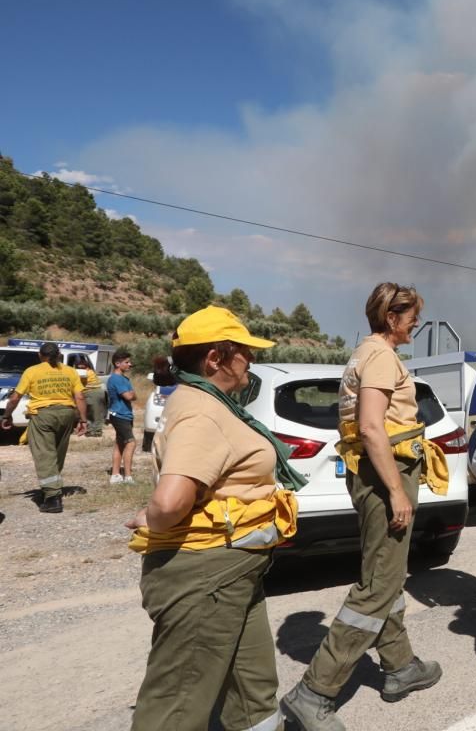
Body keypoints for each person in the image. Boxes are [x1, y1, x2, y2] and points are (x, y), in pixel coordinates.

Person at [125, 306, 302, 731]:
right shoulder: (202, 410)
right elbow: (170, 503)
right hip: (207, 576)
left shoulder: (212, 403)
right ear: (215, 358)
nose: (251, 361)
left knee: (253, 695)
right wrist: (148, 515)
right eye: (244, 352)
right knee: (177, 708)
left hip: (232, 573)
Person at [283, 283, 446, 731]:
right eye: (412, 314)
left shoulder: (370, 353)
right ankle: (314, 692)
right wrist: (396, 491)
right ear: (392, 317)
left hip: (380, 473)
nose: (417, 321)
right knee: (378, 585)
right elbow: (373, 428)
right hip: (385, 474)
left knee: (384, 572)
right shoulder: (378, 357)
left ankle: (399, 665)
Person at [1, 342, 87, 513]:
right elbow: (80, 397)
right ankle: (51, 487)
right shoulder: (69, 371)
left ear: (40, 356)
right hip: (66, 413)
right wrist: (83, 419)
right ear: (58, 355)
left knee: (44, 455)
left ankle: (53, 498)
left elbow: (15, 398)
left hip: (43, 415)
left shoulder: (32, 371)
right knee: (57, 452)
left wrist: (6, 415)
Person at [106, 350, 137, 484]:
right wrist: (133, 394)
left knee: (120, 443)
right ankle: (128, 476)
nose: (130, 364)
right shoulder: (116, 378)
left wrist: (133, 394)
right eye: (127, 362)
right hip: (119, 415)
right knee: (131, 442)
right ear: (117, 364)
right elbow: (129, 396)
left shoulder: (123, 378)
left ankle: (115, 474)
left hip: (124, 414)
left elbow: (131, 395)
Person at [71, 354, 107, 437]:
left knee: (93, 413)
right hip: (97, 392)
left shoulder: (83, 373)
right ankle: (92, 430)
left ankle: (95, 431)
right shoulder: (90, 371)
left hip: (92, 392)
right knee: (95, 413)